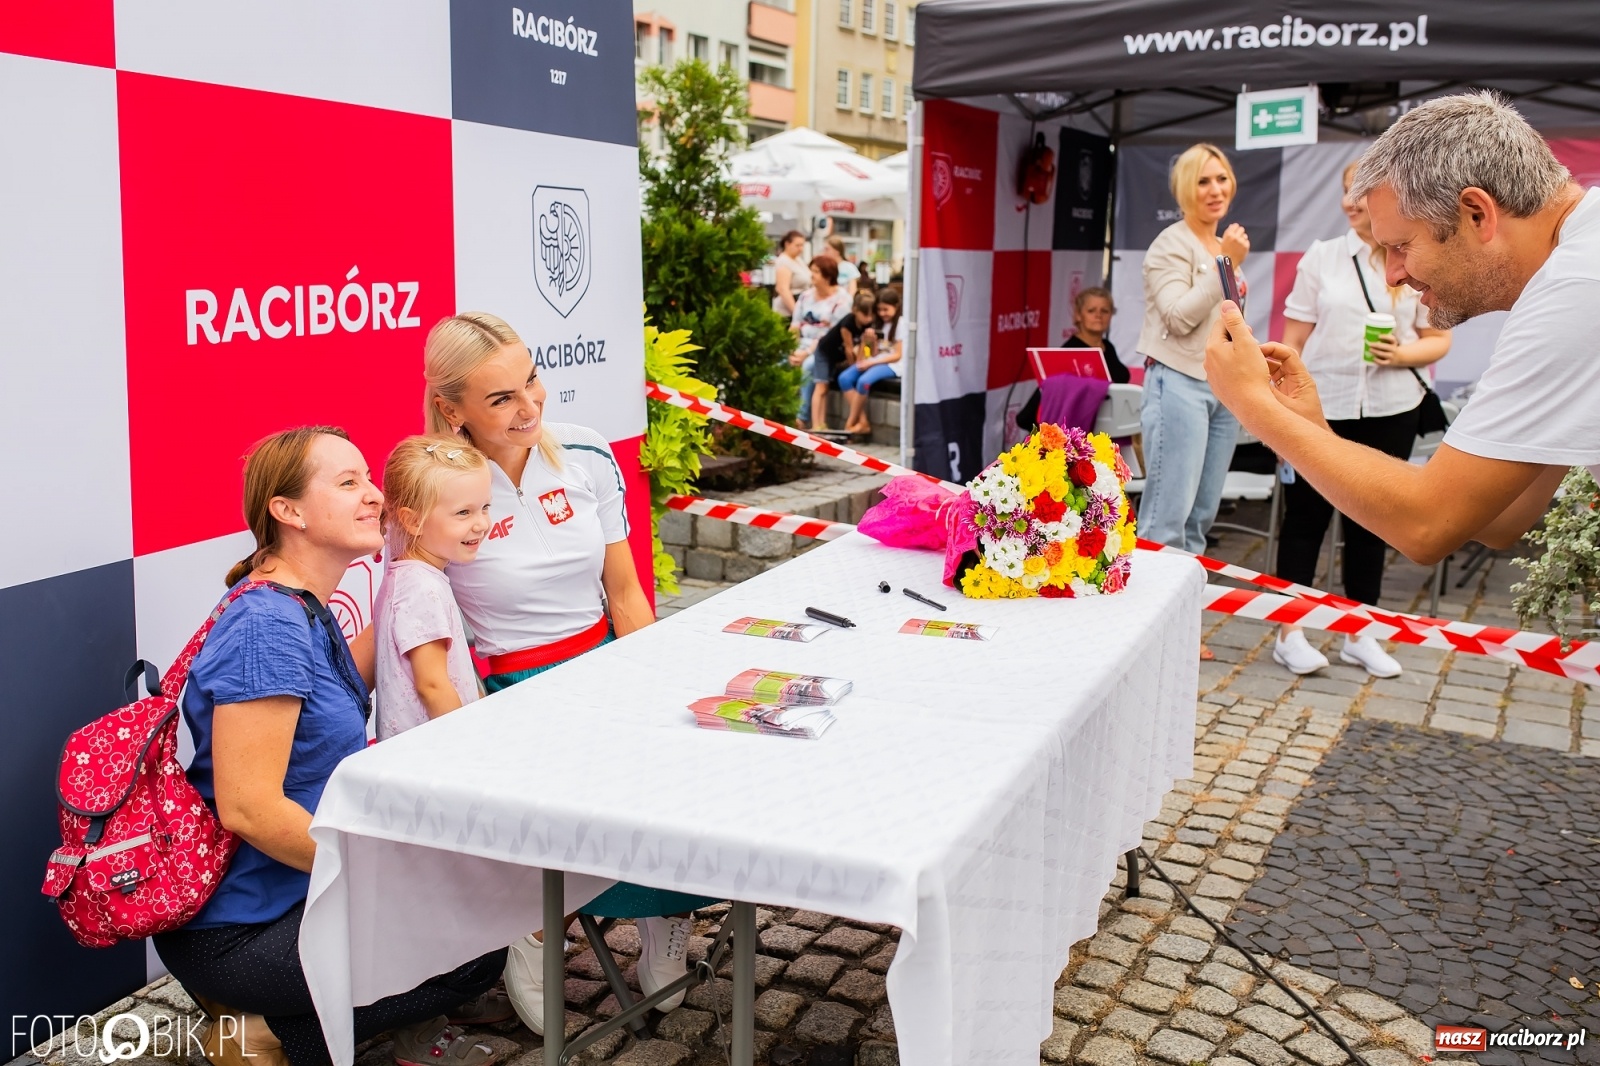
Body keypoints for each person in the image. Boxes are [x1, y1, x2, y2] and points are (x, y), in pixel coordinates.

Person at [153, 427, 509, 1066]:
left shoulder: (304, 607)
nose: (372, 495)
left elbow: (371, 667)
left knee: (469, 912)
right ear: (286, 512)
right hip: (241, 932)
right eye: (348, 484)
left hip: (288, 897)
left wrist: (414, 559)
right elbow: (249, 809)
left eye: (369, 479)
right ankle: (259, 1030)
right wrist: (378, 870)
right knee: (475, 951)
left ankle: (288, 1020)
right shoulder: (267, 629)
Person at [422, 313, 719, 1033]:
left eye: (532, 381)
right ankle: (530, 924)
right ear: (451, 408)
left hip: (603, 668)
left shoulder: (585, 451)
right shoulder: (430, 480)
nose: (530, 408)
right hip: (508, 691)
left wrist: (651, 685)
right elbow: (424, 609)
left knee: (668, 775)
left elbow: (624, 591)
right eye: (501, 399)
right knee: (548, 810)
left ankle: (665, 919)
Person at [1205, 92, 1598, 574]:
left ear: (1477, 213)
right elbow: (1499, 520)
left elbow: (1426, 526)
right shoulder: (1576, 269)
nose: (1392, 275)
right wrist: (1312, 430)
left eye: (1401, 246)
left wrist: (1253, 403)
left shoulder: (1576, 286)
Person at [1270, 160, 1453, 679]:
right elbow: (1293, 342)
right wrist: (1281, 411)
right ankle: (1291, 632)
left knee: (1373, 523)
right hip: (1320, 408)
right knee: (1304, 520)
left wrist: (1404, 355)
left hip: (1392, 407)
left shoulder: (1414, 260)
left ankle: (1362, 632)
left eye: (1363, 193)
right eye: (1347, 192)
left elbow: (1439, 338)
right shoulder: (1322, 259)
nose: (1353, 203)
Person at [1136, 144, 1250, 563]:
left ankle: (1186, 616)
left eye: (1221, 178)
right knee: (1166, 520)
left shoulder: (1219, 245)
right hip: (1178, 383)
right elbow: (1178, 318)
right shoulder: (1170, 245)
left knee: (1200, 519)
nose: (1215, 189)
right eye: (1203, 181)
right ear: (1185, 189)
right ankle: (1149, 620)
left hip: (1223, 390)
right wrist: (1227, 264)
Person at [373, 436, 493, 740]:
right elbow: (432, 685)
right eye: (463, 513)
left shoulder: (412, 577)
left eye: (485, 507)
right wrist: (471, 744)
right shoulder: (421, 587)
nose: (481, 523)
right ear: (413, 521)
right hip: (435, 756)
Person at [1015, 286, 1128, 430]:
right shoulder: (1069, 352)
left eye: (1104, 311)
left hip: (1109, 433)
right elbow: (1033, 409)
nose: (1098, 315)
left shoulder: (1107, 346)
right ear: (1079, 315)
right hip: (1081, 439)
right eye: (1091, 310)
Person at [790, 257, 851, 429]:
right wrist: (790, 348)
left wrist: (806, 352)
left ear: (827, 276)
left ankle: (800, 418)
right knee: (777, 362)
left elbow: (830, 336)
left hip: (824, 349)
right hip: (800, 345)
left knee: (809, 366)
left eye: (816, 272)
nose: (812, 275)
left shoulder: (842, 300)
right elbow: (795, 324)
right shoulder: (805, 296)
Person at [809, 291, 878, 432]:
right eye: (865, 315)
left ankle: (822, 425)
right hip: (824, 352)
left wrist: (866, 350)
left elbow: (863, 349)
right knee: (821, 387)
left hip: (836, 356)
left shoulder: (866, 326)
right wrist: (853, 366)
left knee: (826, 388)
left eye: (871, 315)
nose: (868, 319)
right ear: (855, 311)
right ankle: (816, 425)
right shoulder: (847, 323)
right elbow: (849, 348)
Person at [839, 286, 904, 437]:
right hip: (876, 360)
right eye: (879, 310)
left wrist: (871, 363)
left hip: (892, 364)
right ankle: (862, 421)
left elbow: (897, 355)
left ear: (896, 307)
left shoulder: (901, 324)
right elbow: (870, 354)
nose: (882, 313)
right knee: (844, 378)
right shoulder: (877, 323)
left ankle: (849, 425)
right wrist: (868, 341)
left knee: (864, 382)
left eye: (885, 309)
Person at [771, 230, 810, 317]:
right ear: (787, 244)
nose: (801, 249)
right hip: (787, 312)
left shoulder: (798, 260)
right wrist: (797, 313)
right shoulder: (783, 262)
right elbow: (783, 289)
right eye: (797, 245)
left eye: (802, 245)